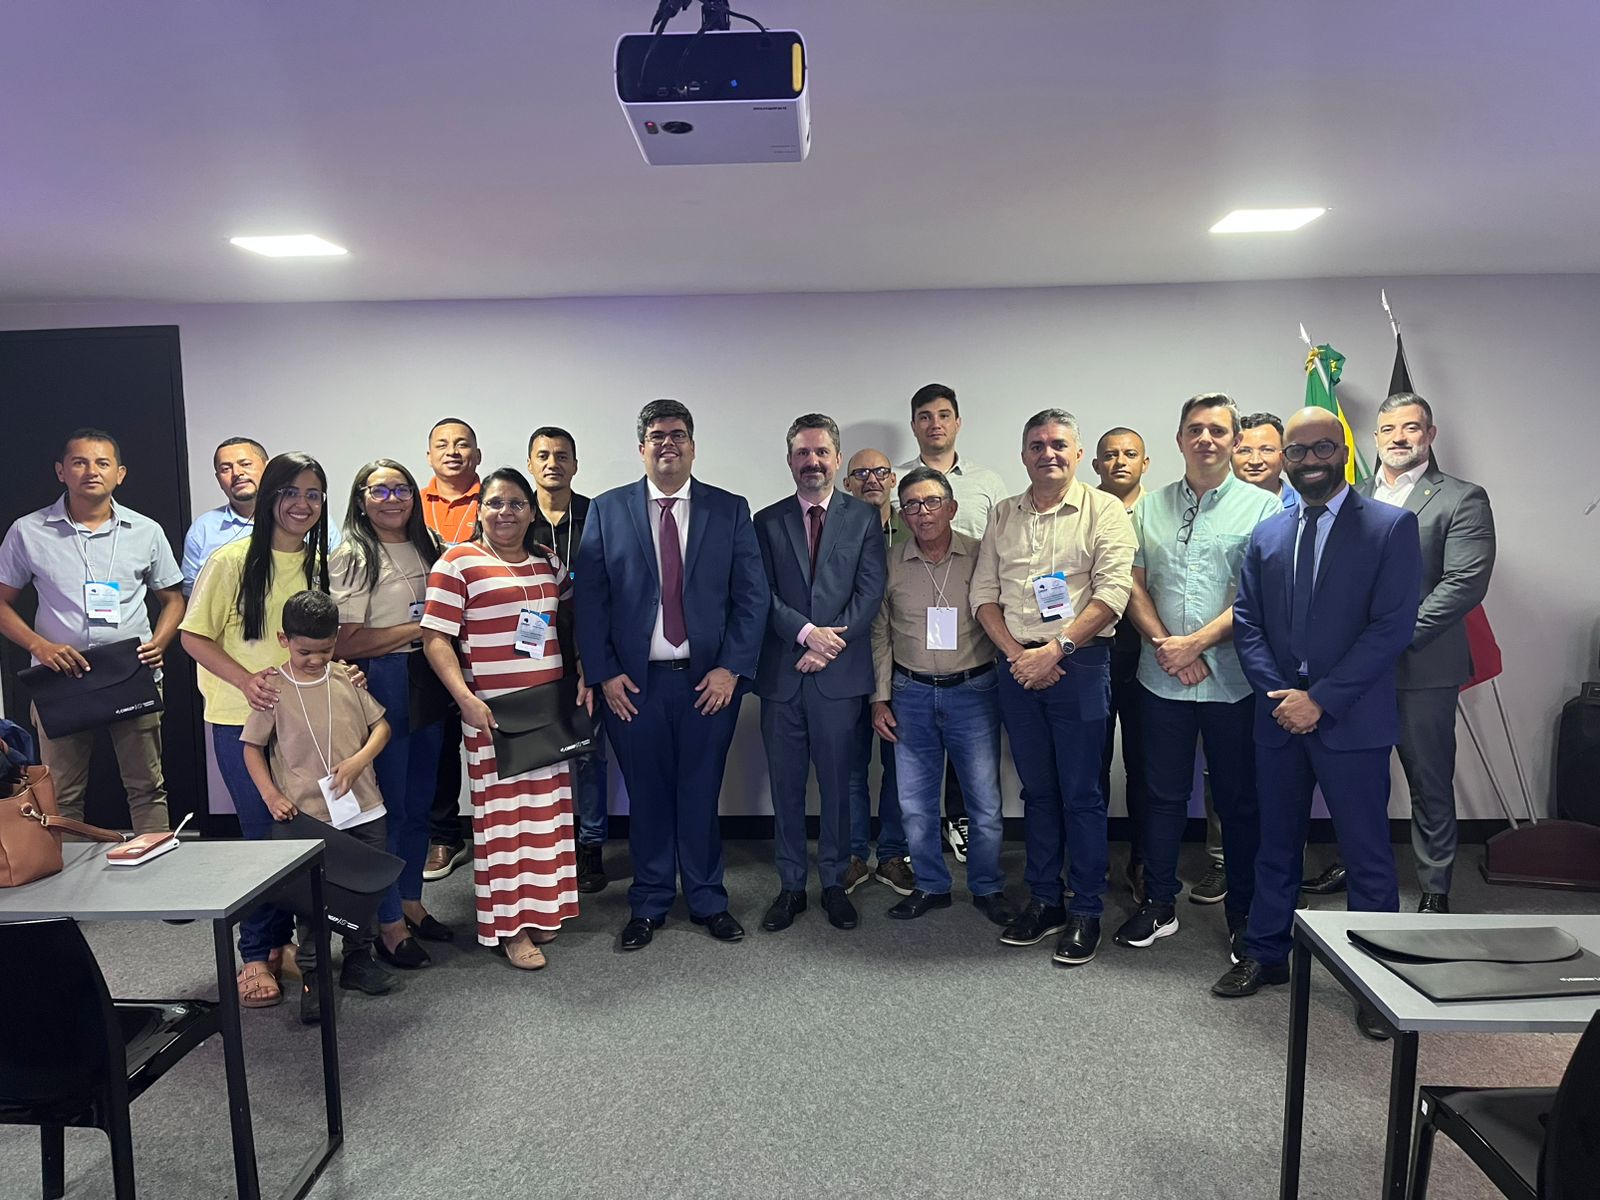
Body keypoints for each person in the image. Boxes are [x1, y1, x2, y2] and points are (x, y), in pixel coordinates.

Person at [1213, 408, 1421, 1042]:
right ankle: (1266, 951)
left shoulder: (1390, 526)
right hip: (1279, 716)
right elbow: (1247, 621)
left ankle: (1373, 980)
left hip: (1351, 719)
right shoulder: (1269, 532)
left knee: (1366, 853)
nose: (1309, 461)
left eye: (1321, 448)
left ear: (1344, 451)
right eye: (1297, 452)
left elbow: (1391, 628)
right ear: (1286, 459)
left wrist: (1321, 700)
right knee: (1275, 844)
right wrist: (1281, 696)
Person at [576, 399, 769, 950]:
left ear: (693, 446)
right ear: (642, 448)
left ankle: (708, 899)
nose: (668, 444)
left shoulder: (728, 509)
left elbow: (751, 597)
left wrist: (731, 669)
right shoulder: (607, 510)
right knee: (647, 796)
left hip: (709, 684)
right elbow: (591, 600)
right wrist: (604, 674)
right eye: (657, 435)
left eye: (678, 434)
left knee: (701, 792)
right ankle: (650, 901)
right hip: (634, 687)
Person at [1304, 394, 1493, 915]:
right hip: (1354, 671)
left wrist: (1391, 638)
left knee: (1428, 779)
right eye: (1388, 429)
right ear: (1374, 438)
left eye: (1411, 428)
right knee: (1355, 779)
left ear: (1430, 435)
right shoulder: (1350, 495)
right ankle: (1356, 863)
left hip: (1422, 665)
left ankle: (1435, 886)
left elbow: (1463, 583)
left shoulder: (1462, 498)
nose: (1399, 437)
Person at [1115, 395, 1280, 958]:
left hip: (1234, 681)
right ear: (1180, 439)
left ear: (1234, 441)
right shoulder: (1148, 508)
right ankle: (1159, 903)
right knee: (1161, 796)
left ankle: (1243, 914)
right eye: (1195, 429)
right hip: (1162, 678)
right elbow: (1131, 583)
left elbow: (1262, 595)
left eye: (1217, 430)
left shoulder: (1264, 509)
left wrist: (1197, 643)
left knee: (1237, 801)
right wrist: (1169, 645)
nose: (1205, 438)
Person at [971, 409, 1135, 966]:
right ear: (1024, 455)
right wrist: (1020, 656)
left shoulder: (1104, 510)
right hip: (1017, 667)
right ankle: (1045, 901)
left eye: (1059, 444)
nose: (1049, 453)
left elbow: (1112, 594)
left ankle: (1086, 908)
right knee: (1037, 792)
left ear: (1078, 453)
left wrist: (1055, 650)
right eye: (1037, 445)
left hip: (1079, 666)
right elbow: (983, 596)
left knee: (1082, 793)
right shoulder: (1002, 514)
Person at [181, 451, 337, 1009]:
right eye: (290, 492)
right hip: (240, 720)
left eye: (313, 495)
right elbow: (193, 637)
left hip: (304, 720)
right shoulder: (230, 561)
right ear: (270, 495)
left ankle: (280, 945)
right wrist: (246, 681)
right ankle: (253, 955)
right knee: (260, 837)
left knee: (297, 837)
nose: (302, 504)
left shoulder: (320, 563)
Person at [420, 467, 581, 970]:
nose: (505, 512)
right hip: (491, 714)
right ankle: (510, 928)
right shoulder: (458, 562)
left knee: (546, 817)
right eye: (494, 503)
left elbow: (568, 622)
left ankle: (543, 910)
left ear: (532, 512)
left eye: (516, 503)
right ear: (480, 510)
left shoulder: (548, 562)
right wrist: (464, 698)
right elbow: (436, 639)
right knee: (504, 824)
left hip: (546, 710)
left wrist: (579, 675)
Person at [0, 428, 184, 832]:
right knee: (61, 794)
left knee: (147, 788)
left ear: (120, 473)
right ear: (60, 471)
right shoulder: (28, 531)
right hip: (60, 676)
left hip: (131, 672)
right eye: (79, 462)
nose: (91, 471)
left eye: (102, 463)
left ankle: (157, 866)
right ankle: (65, 873)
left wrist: (160, 642)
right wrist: (39, 646)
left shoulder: (146, 531)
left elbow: (173, 599)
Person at [754, 413, 887, 933]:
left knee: (838, 786)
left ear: (837, 458)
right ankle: (791, 885)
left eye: (822, 452)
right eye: (803, 453)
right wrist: (807, 634)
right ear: (790, 461)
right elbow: (759, 594)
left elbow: (870, 592)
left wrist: (829, 645)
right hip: (784, 676)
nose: (813, 462)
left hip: (838, 677)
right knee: (786, 788)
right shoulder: (766, 521)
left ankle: (834, 882)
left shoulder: (864, 518)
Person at [242, 590, 395, 1022]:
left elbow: (381, 728)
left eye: (325, 650)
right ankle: (314, 973)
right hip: (308, 816)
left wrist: (358, 761)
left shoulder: (346, 678)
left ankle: (359, 958)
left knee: (364, 887)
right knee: (313, 900)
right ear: (284, 640)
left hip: (364, 806)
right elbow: (251, 748)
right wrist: (271, 795)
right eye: (305, 651)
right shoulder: (272, 689)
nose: (315, 659)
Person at [870, 467, 1014, 924]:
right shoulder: (890, 561)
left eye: (932, 502)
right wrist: (879, 697)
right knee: (915, 804)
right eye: (911, 505)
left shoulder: (981, 555)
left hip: (974, 691)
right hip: (910, 693)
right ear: (902, 515)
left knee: (983, 803)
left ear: (951, 508)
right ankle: (931, 885)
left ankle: (987, 886)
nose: (923, 512)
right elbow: (880, 634)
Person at [330, 458, 451, 969]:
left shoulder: (428, 544)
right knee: (390, 807)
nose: (392, 499)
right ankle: (387, 923)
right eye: (378, 491)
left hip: (428, 674)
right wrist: (421, 628)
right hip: (384, 679)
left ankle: (411, 900)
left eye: (401, 489)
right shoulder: (353, 554)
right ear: (361, 500)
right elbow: (345, 640)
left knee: (422, 800)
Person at [898, 384, 1008, 859]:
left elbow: (1003, 549)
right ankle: (916, 858)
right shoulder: (896, 481)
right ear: (914, 425)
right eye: (925, 416)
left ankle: (971, 849)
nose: (935, 424)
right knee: (913, 789)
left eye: (944, 415)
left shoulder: (987, 482)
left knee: (980, 788)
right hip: (913, 641)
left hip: (973, 640)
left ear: (957, 422)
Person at [527, 425, 609, 895]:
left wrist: (590, 660)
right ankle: (546, 845)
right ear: (531, 463)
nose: (552, 463)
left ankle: (591, 844)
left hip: (586, 653)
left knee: (589, 755)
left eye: (561, 455)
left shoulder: (598, 515)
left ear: (575, 465)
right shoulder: (515, 515)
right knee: (537, 755)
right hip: (530, 657)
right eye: (543, 455)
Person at [839, 448, 913, 896]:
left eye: (881, 471)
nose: (872, 479)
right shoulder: (836, 529)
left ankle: (892, 855)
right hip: (847, 662)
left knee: (898, 764)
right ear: (847, 482)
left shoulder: (913, 529)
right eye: (861, 472)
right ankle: (852, 854)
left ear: (893, 480)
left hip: (903, 667)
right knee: (850, 765)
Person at [1091, 426, 1151, 900]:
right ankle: (1087, 861)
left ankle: (1142, 860)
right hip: (1090, 655)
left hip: (1147, 658)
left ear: (1145, 463)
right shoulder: (1081, 511)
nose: (1119, 462)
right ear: (1095, 465)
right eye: (1110, 455)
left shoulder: (1161, 512)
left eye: (1130, 454)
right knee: (1088, 765)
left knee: (1144, 766)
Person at [420, 418, 482, 884]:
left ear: (477, 454)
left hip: (488, 637)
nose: (453, 452)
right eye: (442, 445)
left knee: (499, 735)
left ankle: (502, 827)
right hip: (431, 635)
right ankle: (443, 835)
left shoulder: (495, 499)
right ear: (429, 456)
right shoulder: (410, 503)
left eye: (462, 444)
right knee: (438, 742)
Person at [182, 437, 267, 595]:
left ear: (268, 468)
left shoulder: (297, 519)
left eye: (245, 464)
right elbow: (190, 593)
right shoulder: (203, 529)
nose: (237, 473)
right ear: (219, 480)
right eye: (226, 469)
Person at [1233, 413, 1300, 511]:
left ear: (1284, 457)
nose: (1255, 461)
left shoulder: (1304, 507)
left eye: (1266, 450)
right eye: (1244, 451)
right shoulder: (1214, 507)